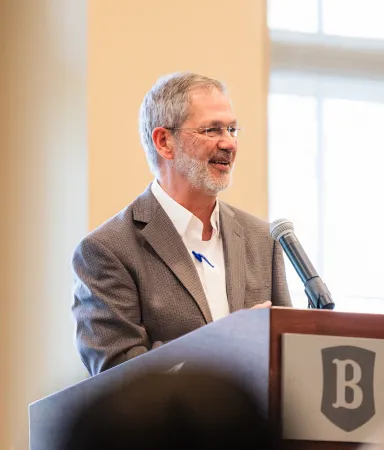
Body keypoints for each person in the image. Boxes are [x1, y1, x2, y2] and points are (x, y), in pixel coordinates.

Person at [72, 72, 292, 376]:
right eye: (212, 130)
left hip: (252, 424)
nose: (229, 143)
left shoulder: (262, 239)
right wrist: (225, 342)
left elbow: (288, 357)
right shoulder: (106, 251)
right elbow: (119, 376)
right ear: (164, 142)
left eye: (231, 129)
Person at [58, 370, 280, 450]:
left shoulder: (265, 261)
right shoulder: (98, 262)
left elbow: (283, 320)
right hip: (140, 428)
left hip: (241, 420)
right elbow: (115, 359)